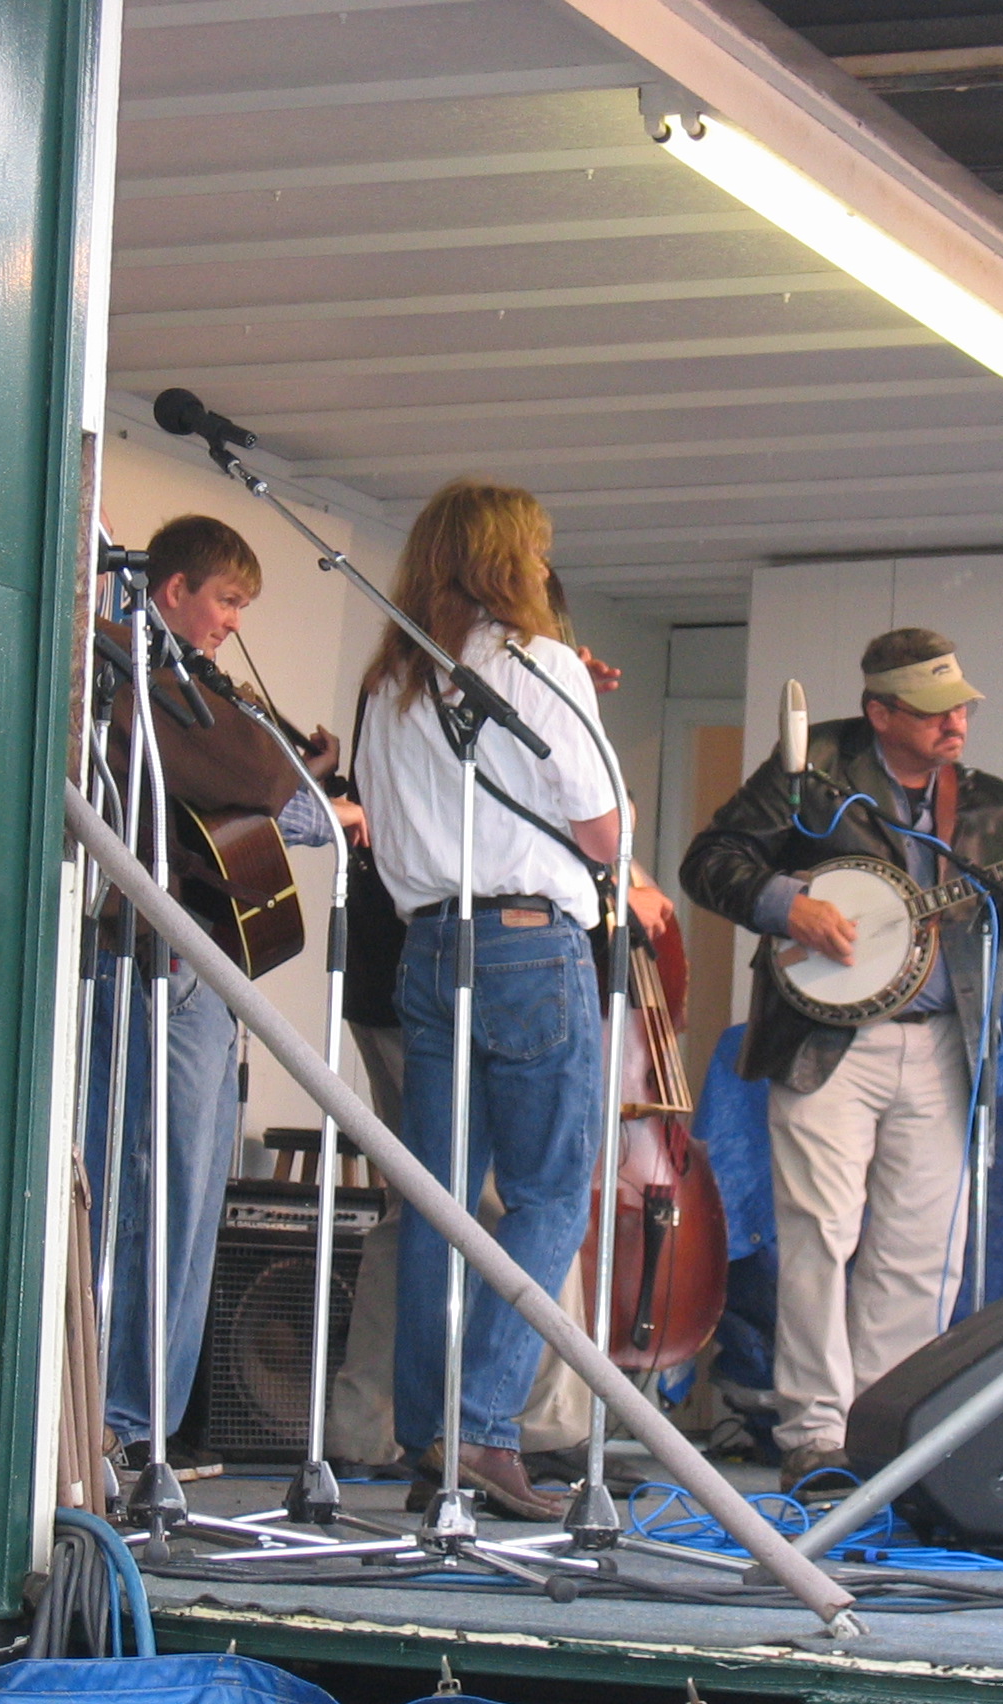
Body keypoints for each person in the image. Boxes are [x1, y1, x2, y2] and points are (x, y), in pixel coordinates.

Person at [678, 628, 1003, 1490]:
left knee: (920, 1251)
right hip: (827, 1040)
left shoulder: (997, 804)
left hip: (941, 1046)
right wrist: (791, 906)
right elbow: (711, 861)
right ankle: (813, 1436)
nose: (955, 723)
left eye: (961, 706)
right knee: (819, 1234)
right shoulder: (808, 770)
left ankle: (885, 1433)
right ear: (880, 711)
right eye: (933, 711)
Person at [352, 478, 616, 1521]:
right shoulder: (539, 664)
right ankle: (485, 1424)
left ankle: (432, 1435)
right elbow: (600, 832)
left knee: (441, 1202)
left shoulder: (388, 679)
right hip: (525, 941)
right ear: (514, 561)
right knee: (551, 1194)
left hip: (426, 945)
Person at [87, 512, 361, 1480]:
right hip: (160, 957)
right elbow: (253, 773)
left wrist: (306, 778)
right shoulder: (132, 669)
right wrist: (307, 793)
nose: (233, 623)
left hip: (193, 959)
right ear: (173, 590)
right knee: (163, 1187)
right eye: (228, 601)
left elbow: (270, 777)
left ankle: (142, 1417)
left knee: (178, 1189)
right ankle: (127, 1417)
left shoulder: (185, 685)